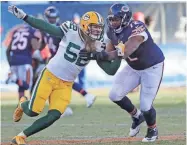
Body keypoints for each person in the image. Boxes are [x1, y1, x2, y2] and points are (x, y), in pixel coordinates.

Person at [8, 5, 105, 145]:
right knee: (33, 111)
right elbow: (48, 28)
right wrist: (25, 17)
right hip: (50, 75)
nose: (97, 30)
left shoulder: (98, 43)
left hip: (66, 84)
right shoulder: (72, 31)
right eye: (94, 27)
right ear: (84, 25)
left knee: (54, 115)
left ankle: (21, 137)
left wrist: (113, 53)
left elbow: (109, 63)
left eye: (99, 27)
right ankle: (23, 104)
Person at [80, 3, 165, 142]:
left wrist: (103, 56)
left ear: (125, 18)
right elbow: (107, 51)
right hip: (134, 67)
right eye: (111, 19)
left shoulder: (137, 27)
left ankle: (152, 129)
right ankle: (137, 116)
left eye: (116, 19)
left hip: (152, 67)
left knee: (145, 105)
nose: (113, 22)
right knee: (114, 94)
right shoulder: (111, 31)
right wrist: (94, 53)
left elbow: (126, 51)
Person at [35, 6, 96, 108]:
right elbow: (42, 46)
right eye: (50, 18)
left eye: (53, 18)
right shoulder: (45, 30)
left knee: (57, 81)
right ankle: (84, 96)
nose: (52, 20)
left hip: (61, 58)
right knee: (60, 81)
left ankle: (60, 104)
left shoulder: (61, 29)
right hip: (56, 59)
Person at [5, 23, 42, 101]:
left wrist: (10, 63)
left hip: (13, 60)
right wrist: (38, 40)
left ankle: (21, 104)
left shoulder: (17, 31)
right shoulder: (32, 31)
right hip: (25, 61)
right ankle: (14, 78)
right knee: (27, 85)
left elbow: (8, 50)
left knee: (21, 85)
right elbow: (35, 46)